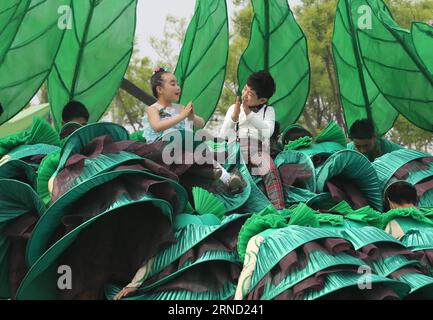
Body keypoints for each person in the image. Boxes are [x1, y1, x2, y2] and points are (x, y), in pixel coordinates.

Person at [142, 67, 242, 193]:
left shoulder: (180, 108)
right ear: (160, 89)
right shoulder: (153, 108)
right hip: (161, 148)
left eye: (177, 83)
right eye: (173, 84)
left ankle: (226, 178)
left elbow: (201, 123)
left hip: (182, 146)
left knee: (199, 149)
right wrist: (182, 116)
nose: (178, 87)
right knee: (190, 145)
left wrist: (191, 116)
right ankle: (213, 173)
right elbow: (157, 126)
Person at [220, 71, 285, 210]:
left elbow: (268, 131)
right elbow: (223, 134)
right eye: (244, 89)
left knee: (269, 168)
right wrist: (234, 116)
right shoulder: (233, 108)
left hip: (257, 148)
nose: (244, 95)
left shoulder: (268, 110)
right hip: (235, 147)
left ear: (262, 100)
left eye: (249, 94)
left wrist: (249, 114)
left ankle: (279, 208)